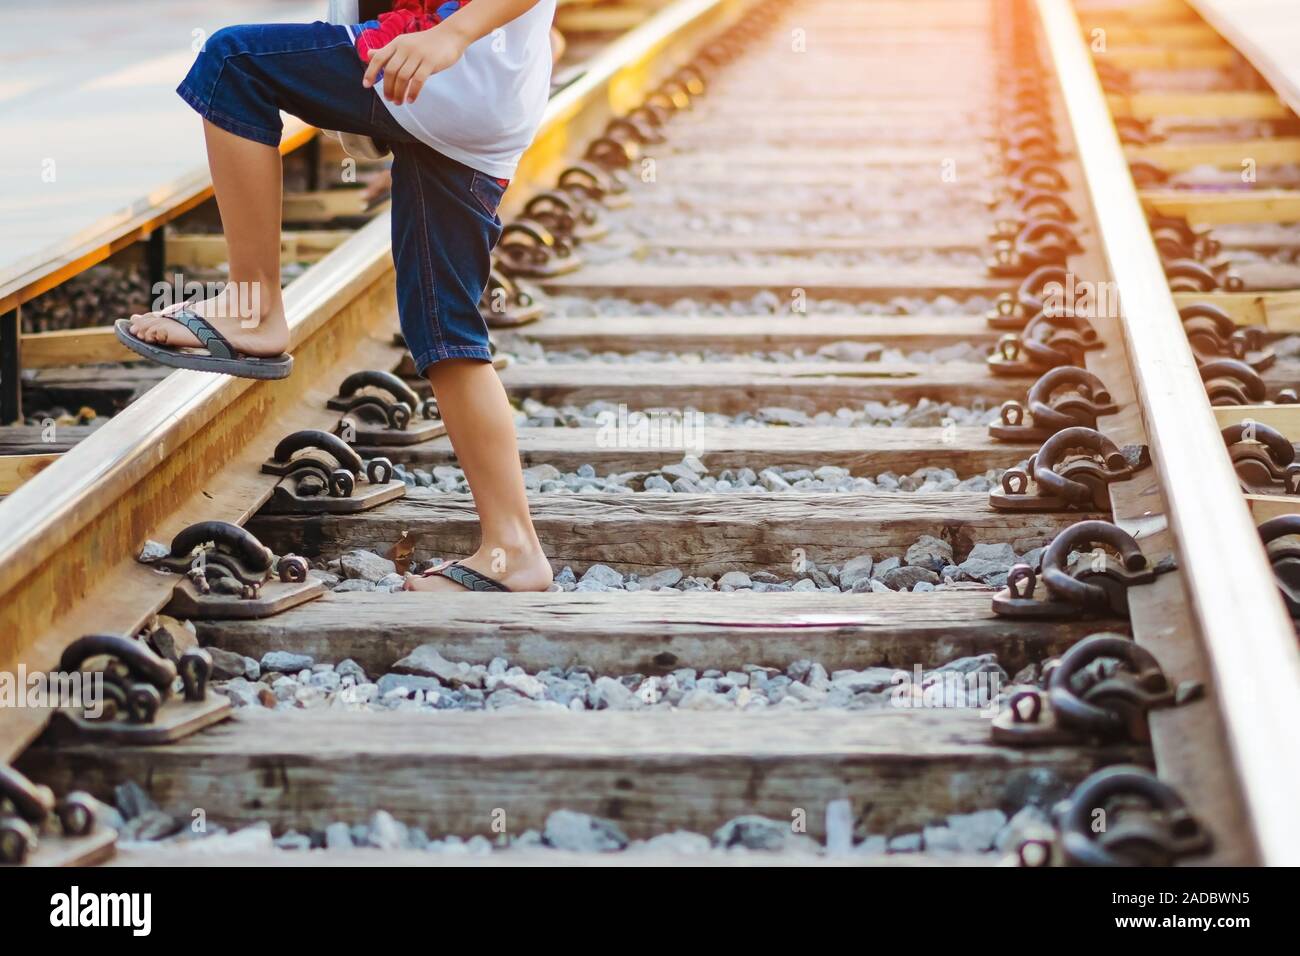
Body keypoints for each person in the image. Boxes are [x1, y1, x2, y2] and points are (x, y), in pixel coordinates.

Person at [115, 0, 556, 594]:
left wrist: (453, 34)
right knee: (444, 332)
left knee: (232, 63)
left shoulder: (453, 45)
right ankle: (514, 549)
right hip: (456, 100)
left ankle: (253, 307)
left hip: (447, 71)